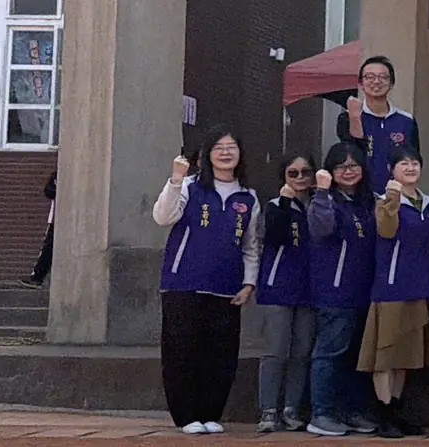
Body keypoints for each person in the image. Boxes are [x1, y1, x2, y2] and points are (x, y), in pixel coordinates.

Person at [152, 128, 262, 435]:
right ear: (207, 154)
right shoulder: (189, 186)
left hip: (226, 287)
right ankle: (186, 415)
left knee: (221, 354)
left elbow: (251, 245)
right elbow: (162, 217)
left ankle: (211, 412)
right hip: (183, 284)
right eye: (219, 147)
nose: (225, 152)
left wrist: (249, 283)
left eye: (231, 147)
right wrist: (175, 180)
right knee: (182, 351)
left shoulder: (248, 197)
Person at [358, 147, 429, 439]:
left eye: (415, 163)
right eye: (403, 163)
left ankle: (396, 410)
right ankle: (383, 414)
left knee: (406, 355)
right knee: (386, 355)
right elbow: (386, 231)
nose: (410, 168)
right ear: (391, 169)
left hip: (421, 287)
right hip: (392, 289)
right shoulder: (385, 201)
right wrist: (393, 197)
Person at [307, 142, 380, 438]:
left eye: (353, 165)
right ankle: (321, 413)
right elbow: (321, 228)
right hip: (335, 292)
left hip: (364, 292)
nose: (348, 171)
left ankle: (350, 411)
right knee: (329, 353)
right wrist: (322, 191)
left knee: (355, 357)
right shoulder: (326, 201)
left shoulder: (366, 202)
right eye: (341, 166)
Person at [257, 154, 318, 433]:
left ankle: (292, 408)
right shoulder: (274, 206)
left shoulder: (318, 205)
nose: (300, 178)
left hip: (309, 289)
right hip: (278, 287)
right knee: (275, 351)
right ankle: (269, 410)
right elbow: (275, 234)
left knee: (302, 352)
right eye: (293, 173)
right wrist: (285, 201)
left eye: (306, 172)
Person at [339, 55, 419, 196]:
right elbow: (352, 153)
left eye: (383, 77)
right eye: (369, 77)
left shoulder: (406, 120)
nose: (376, 81)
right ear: (360, 84)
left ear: (391, 84)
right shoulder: (347, 117)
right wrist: (355, 117)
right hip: (361, 196)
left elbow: (414, 159)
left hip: (398, 196)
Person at [21, 170, 55, 288]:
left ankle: (38, 277)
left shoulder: (58, 175)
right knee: (48, 247)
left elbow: (49, 192)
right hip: (57, 219)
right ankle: (38, 276)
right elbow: (49, 192)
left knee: (48, 247)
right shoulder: (57, 175)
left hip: (57, 220)